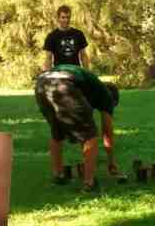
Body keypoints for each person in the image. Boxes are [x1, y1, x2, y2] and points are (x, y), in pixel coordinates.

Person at [34, 64, 120, 192]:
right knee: (90, 135)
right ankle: (89, 183)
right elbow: (107, 131)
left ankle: (58, 175)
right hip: (65, 82)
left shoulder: (90, 87)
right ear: (113, 100)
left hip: (41, 83)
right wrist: (111, 161)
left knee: (57, 132)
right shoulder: (106, 96)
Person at [43, 5, 89, 70]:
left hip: (75, 70)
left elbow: (83, 55)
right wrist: (47, 74)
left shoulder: (78, 34)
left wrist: (86, 72)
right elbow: (48, 58)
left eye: (68, 17)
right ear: (58, 18)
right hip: (59, 71)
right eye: (63, 17)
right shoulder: (51, 36)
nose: (66, 20)